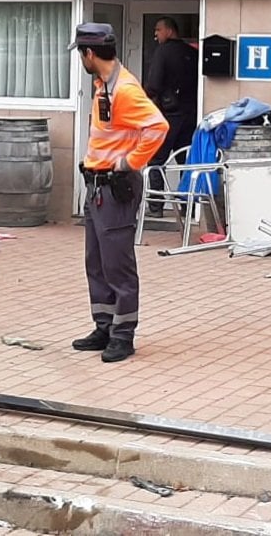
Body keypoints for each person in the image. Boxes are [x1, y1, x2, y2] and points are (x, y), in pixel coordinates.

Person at [69, 22, 169, 363]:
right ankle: (104, 326)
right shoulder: (103, 86)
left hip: (114, 188)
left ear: (89, 53)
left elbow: (158, 127)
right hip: (97, 186)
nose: (81, 60)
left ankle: (123, 335)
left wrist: (129, 163)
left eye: (80, 54)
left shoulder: (124, 89)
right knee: (96, 262)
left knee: (117, 265)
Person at [143, 16, 199, 214]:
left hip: (168, 115)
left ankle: (156, 205)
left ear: (169, 31)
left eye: (158, 30)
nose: (156, 34)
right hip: (190, 114)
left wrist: (146, 100)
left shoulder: (163, 52)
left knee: (156, 160)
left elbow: (154, 84)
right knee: (185, 160)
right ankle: (187, 206)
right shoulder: (191, 54)